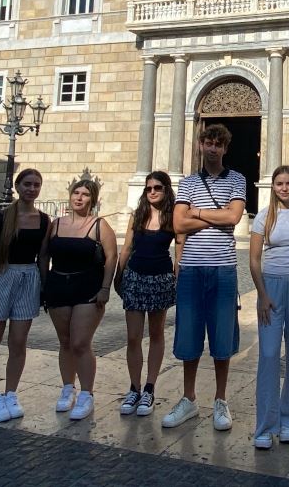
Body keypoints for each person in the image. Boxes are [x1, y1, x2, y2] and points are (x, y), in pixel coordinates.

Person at [162, 123, 246, 431]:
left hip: (223, 269)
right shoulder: (187, 183)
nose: (212, 148)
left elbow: (234, 217)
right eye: (208, 142)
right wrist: (216, 216)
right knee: (188, 333)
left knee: (222, 335)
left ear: (225, 148)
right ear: (200, 145)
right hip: (191, 269)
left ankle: (221, 400)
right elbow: (178, 225)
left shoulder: (237, 179)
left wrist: (196, 213)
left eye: (218, 144)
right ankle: (189, 398)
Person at [0, 168, 50, 423]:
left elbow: (43, 257)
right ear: (17, 187)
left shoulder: (44, 220)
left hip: (28, 279)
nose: (32, 189)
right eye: (27, 184)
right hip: (1, 276)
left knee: (18, 342)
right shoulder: (2, 217)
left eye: (36, 185)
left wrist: (44, 289)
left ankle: (10, 394)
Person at [44, 179, 118, 421]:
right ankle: (68, 388)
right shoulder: (55, 224)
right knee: (65, 342)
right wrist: (43, 284)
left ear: (92, 199)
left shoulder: (99, 225)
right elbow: (44, 256)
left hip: (88, 288)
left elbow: (112, 257)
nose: (79, 197)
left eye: (85, 194)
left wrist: (105, 288)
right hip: (58, 286)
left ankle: (87, 393)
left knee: (80, 343)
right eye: (76, 192)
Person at [249, 165, 289, 449]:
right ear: (273, 187)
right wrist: (262, 295)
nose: (284, 188)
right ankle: (265, 424)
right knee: (269, 354)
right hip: (270, 287)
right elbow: (253, 259)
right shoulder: (264, 216)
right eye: (279, 183)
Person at [115, 171, 183, 417]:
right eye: (148, 188)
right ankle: (134, 387)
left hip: (160, 278)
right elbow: (126, 248)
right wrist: (118, 276)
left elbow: (180, 250)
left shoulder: (173, 216)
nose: (152, 192)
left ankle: (149, 388)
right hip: (135, 276)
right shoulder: (138, 215)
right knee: (133, 337)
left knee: (156, 334)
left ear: (166, 189)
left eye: (157, 187)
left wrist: (177, 277)